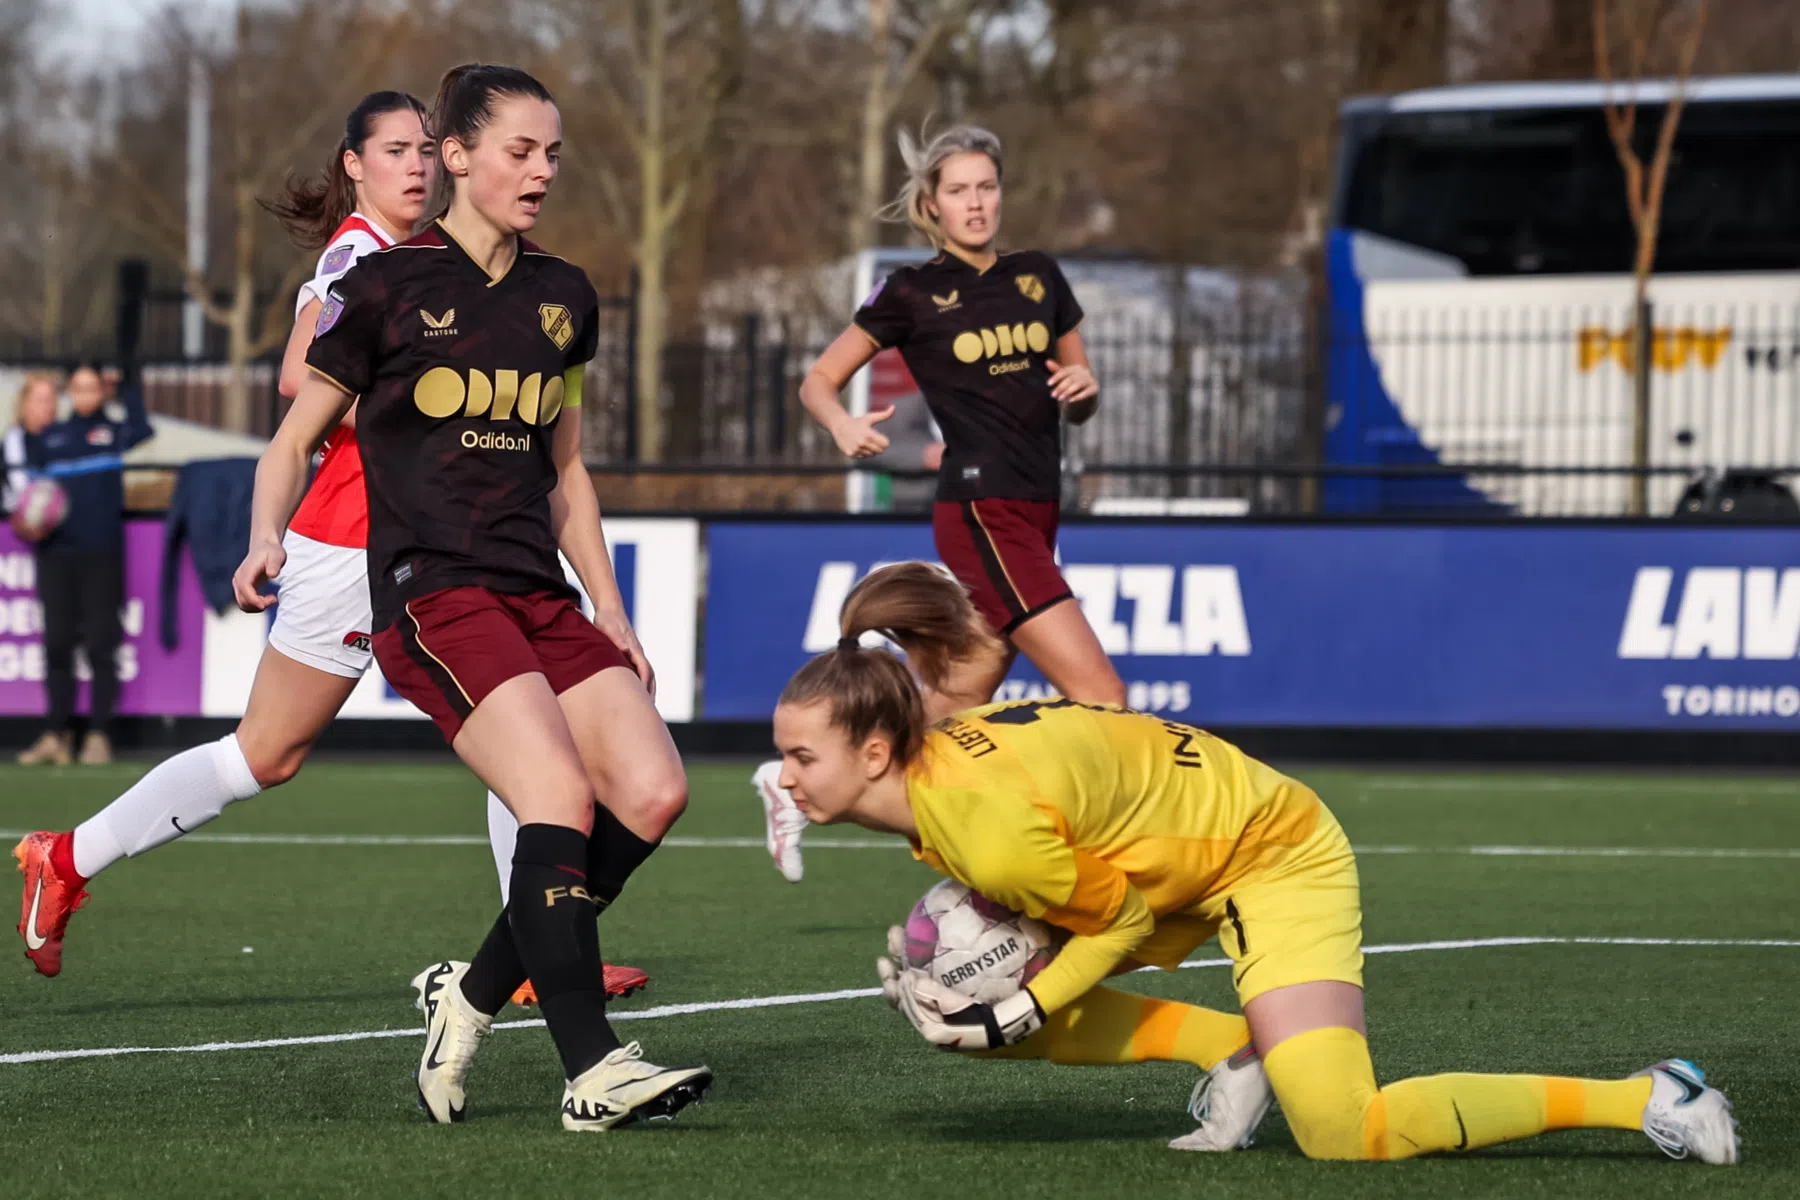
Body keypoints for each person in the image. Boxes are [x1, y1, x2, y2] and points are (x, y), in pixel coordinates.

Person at [767, 562, 1741, 1166]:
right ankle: (1233, 1054)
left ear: (878, 753)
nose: (786, 775)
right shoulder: (925, 769)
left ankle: (1654, 1097)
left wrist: (1017, 1003)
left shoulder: (983, 827)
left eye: (802, 758)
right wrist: (989, 977)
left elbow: (1118, 924)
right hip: (1173, 850)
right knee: (996, 998)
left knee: (1349, 1131)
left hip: (1271, 854)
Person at [10, 91, 644, 1004]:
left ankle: (540, 954)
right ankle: (66, 855)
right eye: (396, 150)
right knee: (267, 754)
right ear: (354, 165)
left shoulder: (437, 259)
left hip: (425, 534)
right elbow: (298, 378)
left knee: (528, 738)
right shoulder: (362, 255)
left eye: (427, 148)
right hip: (358, 536)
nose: (417, 166)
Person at [239, 63, 708, 1132]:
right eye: (519, 151)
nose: (541, 171)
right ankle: (593, 1070)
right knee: (556, 797)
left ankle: (472, 992)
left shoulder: (565, 296)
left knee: (651, 792)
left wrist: (614, 610)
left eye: (551, 154)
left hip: (536, 592)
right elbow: (293, 439)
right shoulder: (384, 285)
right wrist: (267, 534)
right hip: (431, 592)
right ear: (456, 156)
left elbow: (569, 474)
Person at [753, 124, 1126, 883]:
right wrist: (844, 425)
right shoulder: (911, 292)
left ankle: (791, 780)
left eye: (987, 186)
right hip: (981, 511)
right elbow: (818, 381)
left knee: (951, 707)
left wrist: (1085, 392)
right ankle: (1098, 869)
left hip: (1037, 508)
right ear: (932, 204)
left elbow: (1077, 396)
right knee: (1104, 699)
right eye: (959, 190)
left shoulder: (1039, 276)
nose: (977, 202)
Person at [10, 365, 154, 767]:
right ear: (69, 392)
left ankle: (99, 735)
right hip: (56, 557)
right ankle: (56, 734)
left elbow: (143, 428)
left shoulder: (113, 433)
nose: (85, 394)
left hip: (102, 555)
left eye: (93, 387)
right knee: (57, 644)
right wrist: (30, 521)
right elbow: (28, 500)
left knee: (101, 646)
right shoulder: (49, 438)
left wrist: (123, 390)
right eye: (79, 387)